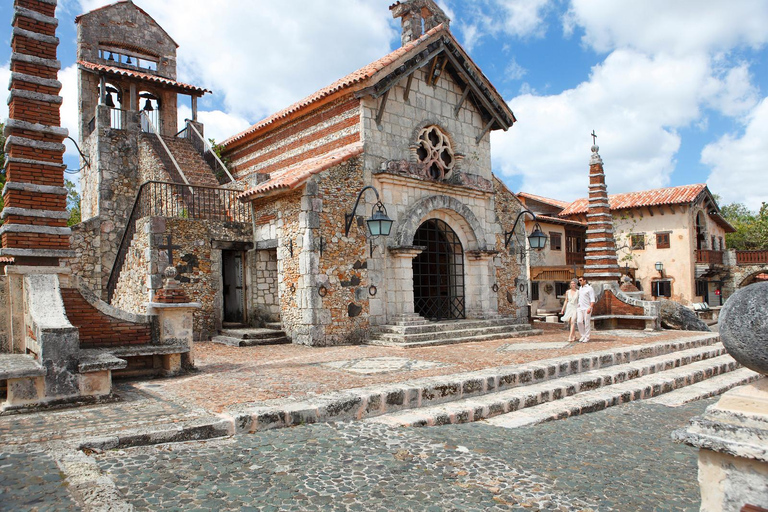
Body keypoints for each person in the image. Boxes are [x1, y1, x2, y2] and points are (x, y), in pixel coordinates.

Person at [576, 276, 595, 342]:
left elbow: (592, 299)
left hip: (587, 307)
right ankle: (583, 335)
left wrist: (590, 307)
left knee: (587, 322)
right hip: (580, 307)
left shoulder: (589, 288)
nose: (579, 281)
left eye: (581, 280)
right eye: (579, 280)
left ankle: (587, 336)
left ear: (585, 280)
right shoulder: (580, 288)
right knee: (579, 321)